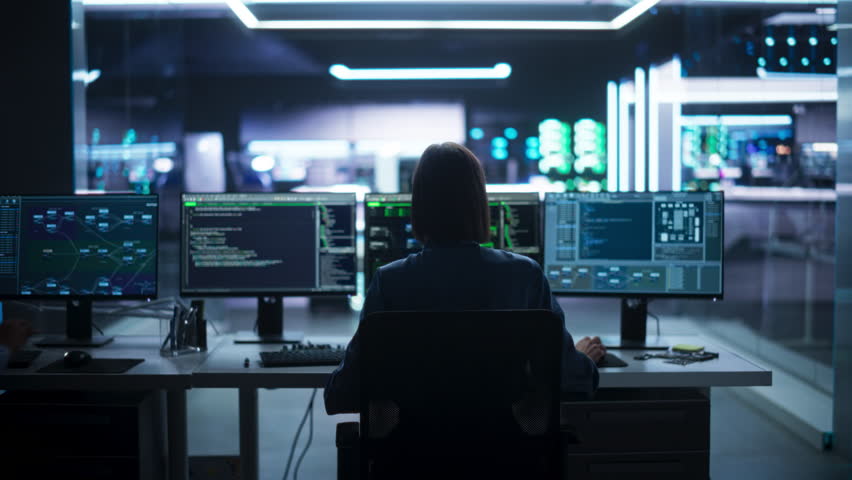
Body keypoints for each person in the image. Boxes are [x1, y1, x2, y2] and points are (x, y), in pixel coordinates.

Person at [324, 142, 603, 415]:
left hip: (414, 454)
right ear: (479, 204)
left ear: (418, 205)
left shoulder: (390, 281)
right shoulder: (524, 275)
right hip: (503, 453)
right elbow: (571, 380)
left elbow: (344, 391)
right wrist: (584, 359)